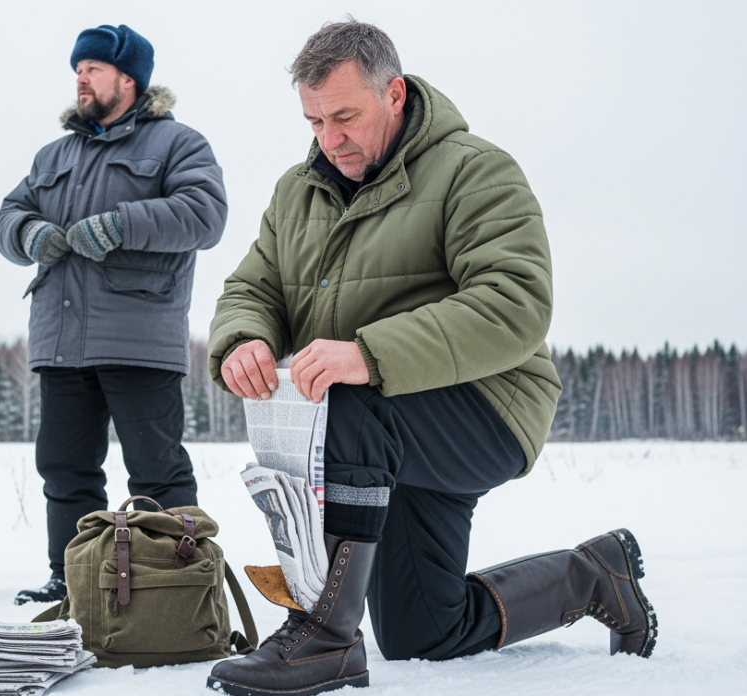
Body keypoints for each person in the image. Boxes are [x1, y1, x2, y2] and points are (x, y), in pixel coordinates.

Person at [205, 19, 656, 696]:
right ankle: (592, 575)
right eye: (314, 120)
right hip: (383, 441)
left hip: (487, 407)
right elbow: (253, 286)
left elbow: (516, 303)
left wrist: (368, 354)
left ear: (395, 93)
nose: (329, 138)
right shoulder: (296, 194)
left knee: (350, 400)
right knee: (422, 634)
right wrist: (245, 337)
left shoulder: (474, 170)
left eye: (345, 116)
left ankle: (325, 635)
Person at [0, 24, 227, 605]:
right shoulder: (54, 155)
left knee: (157, 469)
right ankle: (70, 580)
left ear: (129, 79)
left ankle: (176, 580)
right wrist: (30, 233)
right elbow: (6, 217)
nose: (81, 77)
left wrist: (122, 224)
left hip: (139, 338)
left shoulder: (178, 144)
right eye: (78, 69)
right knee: (65, 468)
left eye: (93, 68)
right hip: (62, 340)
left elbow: (205, 215)